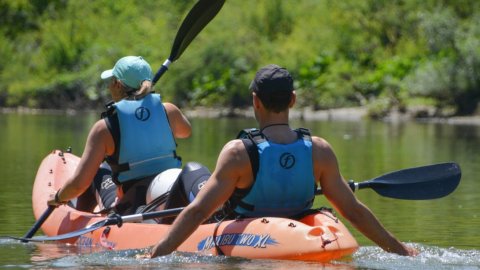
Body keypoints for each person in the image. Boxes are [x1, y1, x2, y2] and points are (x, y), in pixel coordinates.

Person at [149, 64, 418, 258]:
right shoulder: (320, 150)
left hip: (245, 229)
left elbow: (198, 212)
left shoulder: (237, 153)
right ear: (292, 100)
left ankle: (150, 226)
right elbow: (353, 210)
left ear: (255, 101)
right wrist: (400, 250)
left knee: (193, 171)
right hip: (296, 224)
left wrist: (156, 253)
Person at [47, 56, 192, 215]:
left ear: (116, 84)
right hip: (171, 190)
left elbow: (79, 185)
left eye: (111, 81)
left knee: (98, 171)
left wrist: (58, 197)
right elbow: (185, 132)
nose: (109, 86)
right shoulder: (169, 111)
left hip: (133, 204)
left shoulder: (104, 128)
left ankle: (81, 223)